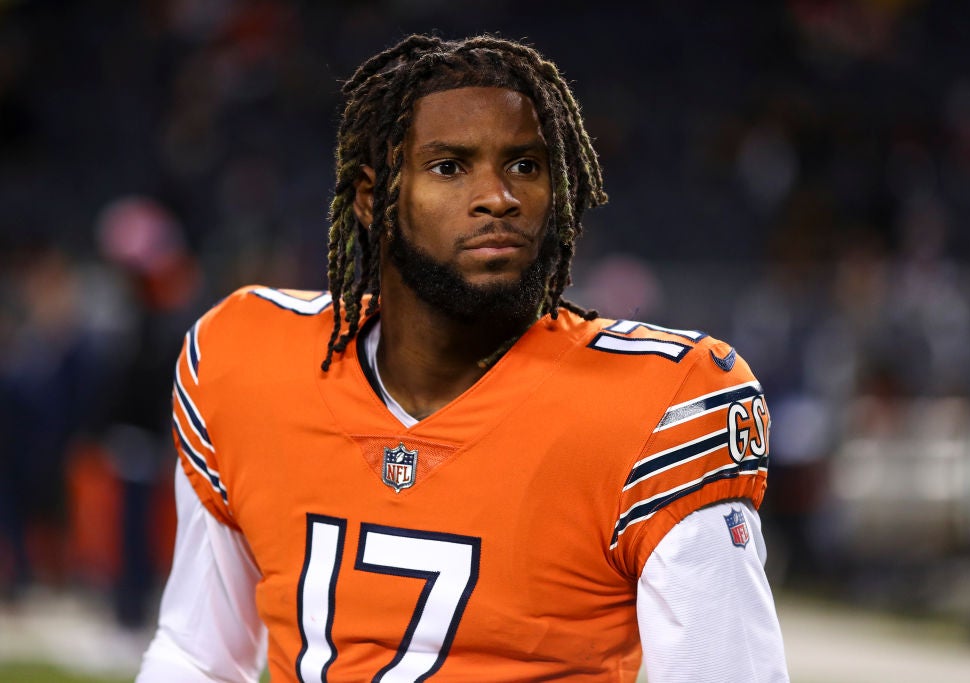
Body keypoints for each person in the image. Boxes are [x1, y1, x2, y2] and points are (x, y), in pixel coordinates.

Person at [136, 34, 788, 682]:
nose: (498, 196)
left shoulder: (660, 403)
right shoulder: (247, 361)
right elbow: (198, 656)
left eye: (525, 166)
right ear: (373, 199)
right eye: (450, 166)